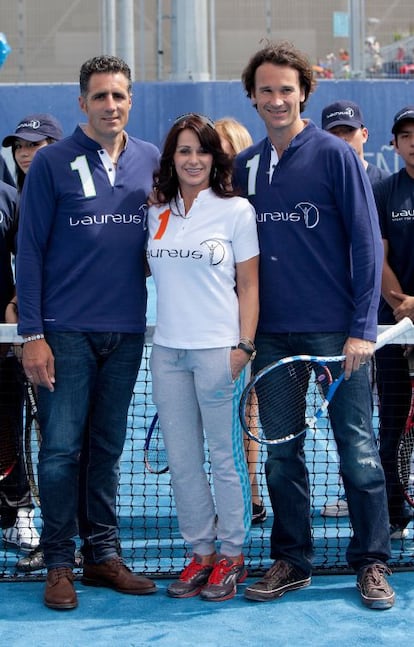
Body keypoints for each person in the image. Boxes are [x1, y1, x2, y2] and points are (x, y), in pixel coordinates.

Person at [233, 40, 395, 610]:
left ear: (304, 92)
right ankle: (292, 559)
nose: (276, 99)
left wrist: (360, 328)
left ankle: (372, 561)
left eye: (286, 89)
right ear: (252, 97)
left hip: (335, 336)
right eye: (266, 89)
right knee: (282, 453)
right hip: (272, 338)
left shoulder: (336, 156)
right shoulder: (245, 166)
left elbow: (365, 245)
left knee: (357, 449)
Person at [16, 55, 160, 610]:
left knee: (105, 449)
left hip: (124, 332)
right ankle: (58, 563)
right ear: (82, 103)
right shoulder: (51, 162)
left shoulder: (150, 159)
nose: (110, 105)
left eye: (119, 95)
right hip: (64, 331)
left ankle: (101, 556)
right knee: (59, 452)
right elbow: (29, 253)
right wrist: (32, 333)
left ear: (130, 100)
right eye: (100, 96)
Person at [147, 113, 259, 602]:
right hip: (167, 352)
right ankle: (202, 553)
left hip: (220, 352)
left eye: (202, 151)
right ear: (172, 158)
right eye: (184, 150)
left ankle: (233, 555)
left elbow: (250, 285)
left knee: (224, 458)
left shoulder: (236, 212)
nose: (193, 159)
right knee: (184, 460)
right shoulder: (155, 211)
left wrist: (244, 346)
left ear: (216, 159)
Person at [319, 100, 390, 520]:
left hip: (383, 325)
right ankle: (358, 496)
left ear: (364, 134)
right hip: (339, 327)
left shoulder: (383, 185)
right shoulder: (321, 185)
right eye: (335, 134)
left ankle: (391, 495)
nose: (343, 140)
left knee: (387, 414)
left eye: (350, 132)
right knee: (351, 420)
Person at [1, 113, 63, 566]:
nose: (26, 153)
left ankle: (21, 509)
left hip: (29, 333)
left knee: (35, 427)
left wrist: (18, 314)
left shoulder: (12, 199)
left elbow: (29, 262)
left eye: (35, 145)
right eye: (20, 146)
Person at [215, 116, 266, 526]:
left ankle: (249, 494)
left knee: (249, 411)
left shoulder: (252, 207)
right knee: (230, 418)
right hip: (213, 328)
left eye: (228, 153)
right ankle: (243, 496)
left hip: (254, 327)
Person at [373, 106, 414, 542]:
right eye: (406, 135)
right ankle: (393, 511)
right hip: (392, 327)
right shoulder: (385, 191)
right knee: (391, 425)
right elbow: (377, 257)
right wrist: (403, 305)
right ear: (396, 144)